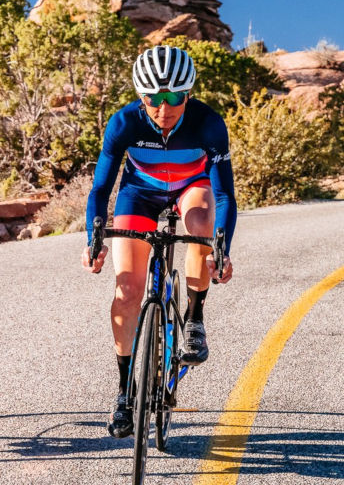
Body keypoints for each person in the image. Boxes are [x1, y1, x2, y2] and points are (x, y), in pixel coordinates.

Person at [80, 45, 236, 438]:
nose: (164, 108)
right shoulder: (123, 123)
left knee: (200, 222)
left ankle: (195, 317)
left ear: (188, 93)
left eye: (174, 97)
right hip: (139, 194)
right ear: (140, 94)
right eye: (153, 98)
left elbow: (224, 195)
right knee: (127, 290)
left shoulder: (208, 123)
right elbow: (100, 189)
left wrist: (222, 250)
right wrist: (93, 239)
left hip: (191, 187)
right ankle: (124, 392)